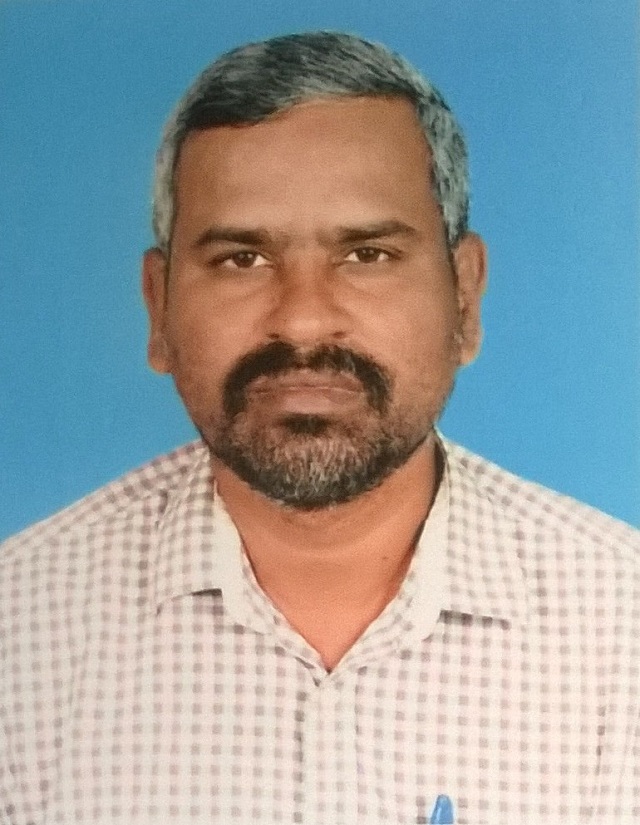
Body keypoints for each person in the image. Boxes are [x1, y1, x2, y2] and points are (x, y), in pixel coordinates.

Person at [1, 30, 638, 825]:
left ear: (465, 298)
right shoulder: (18, 632)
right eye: (242, 259)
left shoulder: (622, 629)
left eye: (367, 254)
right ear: (158, 308)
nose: (302, 320)